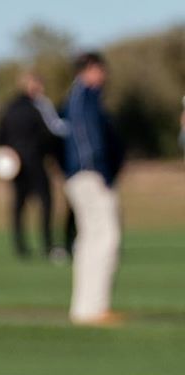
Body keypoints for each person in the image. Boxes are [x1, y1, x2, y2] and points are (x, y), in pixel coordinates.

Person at [61, 52, 125, 325]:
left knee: (89, 239)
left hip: (84, 175)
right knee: (105, 238)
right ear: (87, 70)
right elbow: (87, 139)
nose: (103, 76)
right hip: (90, 175)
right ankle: (94, 308)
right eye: (99, 70)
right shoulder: (83, 98)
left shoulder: (81, 98)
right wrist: (98, 169)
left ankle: (85, 309)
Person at [0, 72, 67, 258]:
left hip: (15, 165)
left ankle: (20, 246)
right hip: (34, 161)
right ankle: (47, 245)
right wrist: (55, 157)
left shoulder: (8, 108)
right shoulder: (38, 107)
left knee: (18, 204)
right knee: (45, 201)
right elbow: (48, 134)